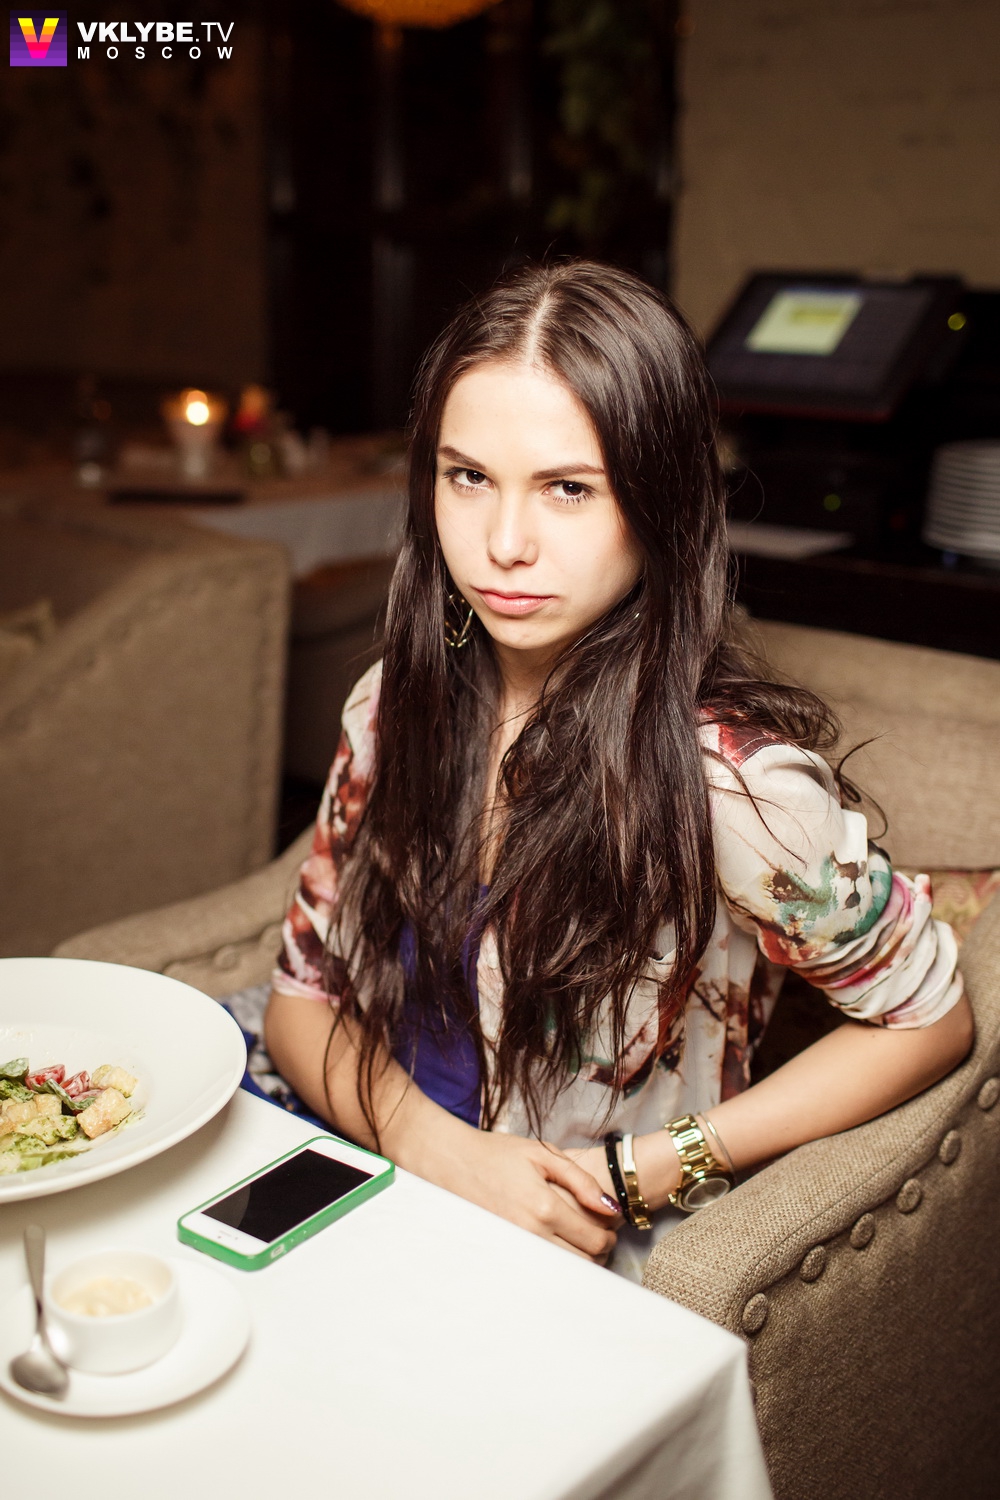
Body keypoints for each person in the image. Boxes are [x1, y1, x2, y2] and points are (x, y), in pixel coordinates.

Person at [264, 260, 972, 1280]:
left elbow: (928, 1020)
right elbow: (300, 1001)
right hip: (371, 1159)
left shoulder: (730, 786)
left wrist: (643, 1170)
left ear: (659, 502)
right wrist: (433, 1148)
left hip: (567, 1246)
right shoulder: (393, 705)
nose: (504, 543)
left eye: (568, 489)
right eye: (468, 477)